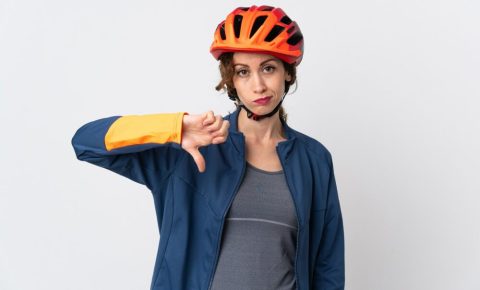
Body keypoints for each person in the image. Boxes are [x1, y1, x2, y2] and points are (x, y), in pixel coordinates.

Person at [71, 5, 344, 290]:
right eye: (243, 72)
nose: (258, 85)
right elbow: (86, 143)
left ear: (287, 72)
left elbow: (328, 266)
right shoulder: (193, 149)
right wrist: (174, 128)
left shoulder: (314, 160)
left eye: (268, 68)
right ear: (230, 81)